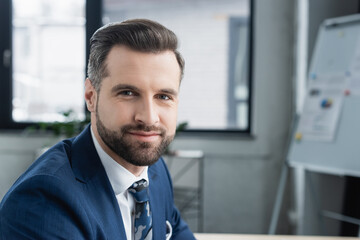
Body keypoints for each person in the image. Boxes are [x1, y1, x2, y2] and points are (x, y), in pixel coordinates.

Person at [0, 19, 196, 240]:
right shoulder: (44, 201)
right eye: (128, 93)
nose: (149, 117)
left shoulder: (154, 170)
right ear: (91, 97)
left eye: (163, 96)